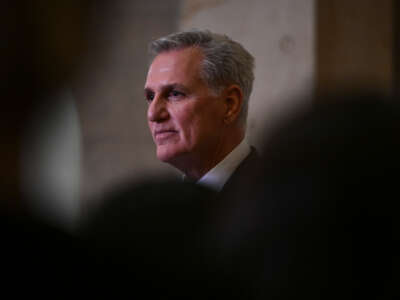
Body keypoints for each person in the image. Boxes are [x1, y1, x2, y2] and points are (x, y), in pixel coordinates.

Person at [144, 29, 260, 192]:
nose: (153, 114)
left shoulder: (276, 199)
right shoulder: (157, 208)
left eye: (174, 94)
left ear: (230, 104)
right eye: (150, 97)